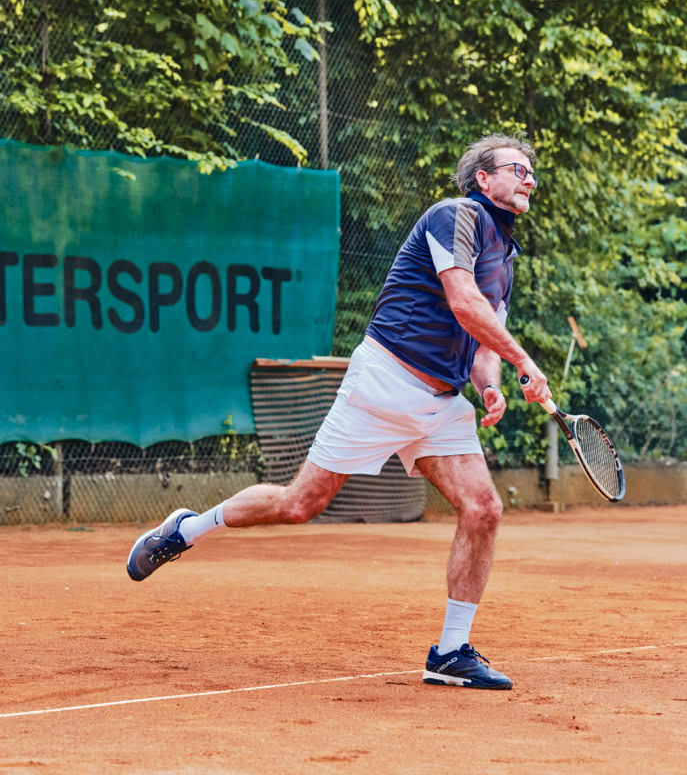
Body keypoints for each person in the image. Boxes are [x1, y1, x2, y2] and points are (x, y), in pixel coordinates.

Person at [126, 132, 551, 690]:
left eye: (531, 173)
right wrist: (524, 360)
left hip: (442, 401)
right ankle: (188, 528)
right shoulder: (456, 217)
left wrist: (491, 384)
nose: (528, 178)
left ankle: (450, 652)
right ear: (483, 178)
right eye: (516, 168)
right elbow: (463, 302)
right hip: (386, 380)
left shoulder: (507, 253)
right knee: (300, 503)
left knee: (483, 509)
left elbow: (482, 337)